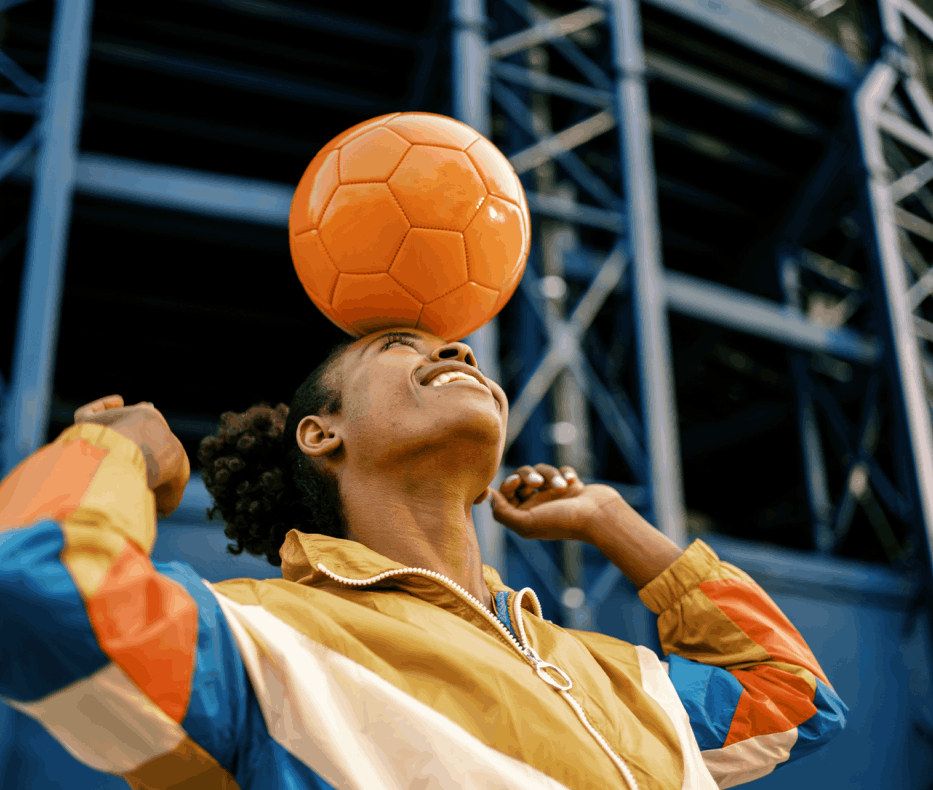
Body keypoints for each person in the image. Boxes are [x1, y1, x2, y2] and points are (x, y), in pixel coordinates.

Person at [0, 328, 847, 790]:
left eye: (460, 350)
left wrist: (614, 520)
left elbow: (795, 698)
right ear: (320, 433)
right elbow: (37, 589)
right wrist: (112, 452)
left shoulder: (612, 675)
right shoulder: (266, 643)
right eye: (402, 346)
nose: (461, 352)